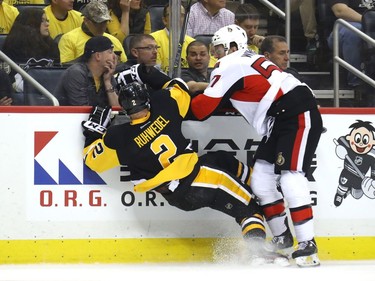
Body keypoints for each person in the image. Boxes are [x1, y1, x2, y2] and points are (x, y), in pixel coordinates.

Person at [82, 69, 289, 265]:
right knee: (250, 208)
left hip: (177, 197)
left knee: (221, 159)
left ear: (124, 107)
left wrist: (93, 132)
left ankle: (262, 187)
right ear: (147, 99)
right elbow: (179, 85)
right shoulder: (164, 104)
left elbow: (92, 160)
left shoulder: (118, 137)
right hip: (197, 179)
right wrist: (147, 73)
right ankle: (257, 253)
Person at [189, 24, 323, 267]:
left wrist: (176, 93)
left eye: (218, 48)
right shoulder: (246, 59)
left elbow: (201, 110)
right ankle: (282, 237)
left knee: (291, 175)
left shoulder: (227, 64)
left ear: (231, 46)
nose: (215, 54)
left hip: (294, 110)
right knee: (261, 179)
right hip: (281, 115)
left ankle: (307, 244)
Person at [2, 8, 60, 92]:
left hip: (49, 92)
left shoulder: (52, 45)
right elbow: (9, 79)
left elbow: (56, 73)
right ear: (31, 24)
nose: (47, 24)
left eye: (47, 20)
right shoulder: (13, 46)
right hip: (20, 93)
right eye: (42, 21)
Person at [53, 36, 120, 106]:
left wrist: (107, 82)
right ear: (98, 56)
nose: (114, 56)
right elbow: (81, 110)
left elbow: (117, 109)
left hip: (94, 116)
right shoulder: (76, 73)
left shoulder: (107, 74)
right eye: (110, 52)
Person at [58, 0, 127, 64]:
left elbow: (125, 65)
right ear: (86, 21)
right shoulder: (69, 39)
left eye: (105, 22)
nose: (102, 26)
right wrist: (86, 58)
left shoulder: (114, 41)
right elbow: (64, 67)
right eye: (97, 22)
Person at [150, 3, 195, 74]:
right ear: (164, 20)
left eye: (181, 15)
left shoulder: (192, 43)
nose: (177, 18)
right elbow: (154, 70)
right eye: (173, 14)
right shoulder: (152, 40)